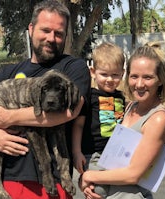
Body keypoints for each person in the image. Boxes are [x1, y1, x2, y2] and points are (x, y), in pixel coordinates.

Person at [0, 1, 90, 199]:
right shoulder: (7, 73)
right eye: (45, 30)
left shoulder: (73, 67)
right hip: (8, 182)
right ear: (31, 29)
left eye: (59, 33)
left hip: (53, 185)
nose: (51, 38)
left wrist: (7, 118)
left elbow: (69, 111)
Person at [79, 42, 165, 199]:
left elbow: (133, 175)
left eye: (148, 77)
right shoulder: (129, 107)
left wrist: (89, 176)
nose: (139, 84)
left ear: (160, 80)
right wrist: (89, 185)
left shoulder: (158, 118)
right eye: (134, 76)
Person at [72, 42, 125, 198]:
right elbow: (79, 125)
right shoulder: (89, 97)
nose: (109, 79)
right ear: (93, 72)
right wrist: (77, 152)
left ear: (122, 73)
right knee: (98, 192)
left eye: (115, 75)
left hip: (116, 155)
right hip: (94, 155)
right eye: (104, 74)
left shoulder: (121, 98)